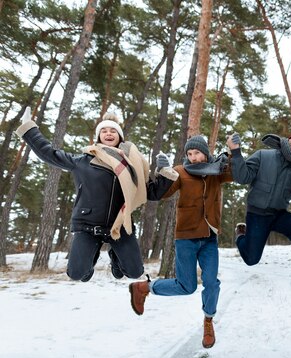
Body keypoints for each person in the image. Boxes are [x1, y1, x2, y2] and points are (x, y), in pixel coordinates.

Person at [16, 108, 178, 282]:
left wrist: (165, 172)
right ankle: (89, 262)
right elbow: (49, 153)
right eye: (104, 131)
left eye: (113, 130)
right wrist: (29, 129)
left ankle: (115, 258)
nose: (108, 133)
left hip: (120, 226)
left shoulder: (132, 165)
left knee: (134, 272)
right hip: (88, 225)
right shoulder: (82, 161)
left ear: (120, 136)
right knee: (77, 274)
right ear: (98, 136)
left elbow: (151, 193)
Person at [129, 135, 231, 349]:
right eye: (190, 154)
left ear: (206, 152)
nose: (193, 157)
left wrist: (233, 153)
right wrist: (164, 172)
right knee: (186, 286)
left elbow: (237, 173)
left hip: (209, 237)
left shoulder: (216, 171)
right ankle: (144, 287)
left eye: (197, 153)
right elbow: (161, 193)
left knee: (212, 283)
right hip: (186, 237)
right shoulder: (181, 171)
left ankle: (208, 321)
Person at [226, 130, 291, 279]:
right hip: (256, 214)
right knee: (251, 259)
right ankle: (241, 234)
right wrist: (235, 151)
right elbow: (243, 177)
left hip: (278, 214)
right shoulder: (263, 155)